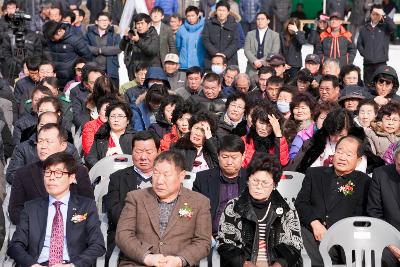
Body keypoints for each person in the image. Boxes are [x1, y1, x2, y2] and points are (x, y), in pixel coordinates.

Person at [7, 152, 105, 266]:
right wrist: (32, 264)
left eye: (58, 173)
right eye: (48, 172)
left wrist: (72, 265)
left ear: (71, 177)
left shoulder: (86, 206)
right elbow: (15, 245)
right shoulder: (31, 208)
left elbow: (97, 245)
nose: (51, 177)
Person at [115, 150, 212, 266]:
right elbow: (123, 235)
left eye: (166, 175)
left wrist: (180, 260)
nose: (159, 181)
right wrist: (146, 257)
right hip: (139, 263)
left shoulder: (200, 202)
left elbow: (203, 242)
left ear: (181, 176)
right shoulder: (135, 198)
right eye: (156, 173)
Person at [295, 136, 370, 267]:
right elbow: (301, 203)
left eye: (348, 154)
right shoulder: (314, 174)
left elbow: (362, 215)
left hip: (344, 240)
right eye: (339, 152)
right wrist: (315, 223)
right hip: (314, 235)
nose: (342, 157)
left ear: (358, 160)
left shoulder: (365, 182)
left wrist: (337, 232)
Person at [217, 152, 303, 267]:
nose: (259, 186)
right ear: (248, 180)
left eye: (265, 183)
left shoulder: (287, 209)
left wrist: (279, 264)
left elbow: (294, 245)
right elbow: (225, 243)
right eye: (255, 181)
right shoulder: (234, 206)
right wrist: (245, 264)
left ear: (274, 185)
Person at [8, 123, 94, 225]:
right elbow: (15, 212)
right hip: (34, 234)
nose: (43, 146)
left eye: (49, 142)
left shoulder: (78, 171)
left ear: (63, 146)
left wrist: (66, 223)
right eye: (40, 141)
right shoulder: (23, 174)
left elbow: (88, 206)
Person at [107, 131, 160, 262]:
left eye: (149, 152)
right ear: (132, 152)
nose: (143, 157)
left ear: (158, 152)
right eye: (138, 151)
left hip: (161, 239)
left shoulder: (167, 177)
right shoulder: (117, 178)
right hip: (127, 237)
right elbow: (114, 214)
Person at [193, 134, 247, 238]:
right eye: (225, 157)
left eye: (234, 157)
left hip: (244, 238)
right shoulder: (202, 179)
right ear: (218, 156)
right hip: (211, 237)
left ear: (243, 156)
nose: (229, 162)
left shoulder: (252, 178)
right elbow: (195, 209)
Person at [6, 111, 80, 184]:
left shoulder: (69, 149)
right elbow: (11, 175)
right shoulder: (23, 148)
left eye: (50, 125)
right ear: (37, 126)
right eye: (42, 125)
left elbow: (80, 174)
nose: (46, 128)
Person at [368, 146, 400, 267]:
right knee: (376, 257)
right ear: (394, 159)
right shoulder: (381, 174)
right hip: (389, 241)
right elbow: (374, 212)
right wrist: (390, 244)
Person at [42, 20, 93, 87]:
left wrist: (78, 72)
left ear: (59, 31)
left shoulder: (75, 39)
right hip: (54, 77)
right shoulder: (50, 39)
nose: (51, 40)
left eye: (52, 38)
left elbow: (87, 57)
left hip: (71, 78)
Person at [85, 102, 136, 168]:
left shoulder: (135, 138)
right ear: (108, 120)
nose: (116, 120)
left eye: (120, 116)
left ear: (128, 120)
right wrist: (101, 168)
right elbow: (91, 157)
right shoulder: (101, 135)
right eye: (112, 116)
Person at [242, 102, 289, 168]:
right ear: (255, 122)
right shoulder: (244, 140)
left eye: (269, 125)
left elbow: (283, 163)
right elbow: (241, 164)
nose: (264, 128)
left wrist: (278, 134)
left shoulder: (277, 141)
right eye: (261, 123)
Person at [358, 4, 396, 86]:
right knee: (368, 86)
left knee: (381, 85)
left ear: (381, 15)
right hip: (367, 63)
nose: (375, 16)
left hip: (381, 62)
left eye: (378, 14)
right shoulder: (364, 28)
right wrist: (365, 54)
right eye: (374, 14)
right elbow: (359, 44)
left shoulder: (385, 27)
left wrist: (384, 15)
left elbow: (393, 27)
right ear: (370, 14)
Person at [120, 13, 160, 81]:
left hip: (149, 71)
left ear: (148, 24)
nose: (140, 26)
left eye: (142, 23)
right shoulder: (134, 34)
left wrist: (138, 41)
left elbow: (152, 51)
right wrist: (125, 38)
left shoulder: (153, 35)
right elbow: (121, 48)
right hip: (134, 71)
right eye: (138, 24)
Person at [85, 12, 121, 85]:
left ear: (109, 22)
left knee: (111, 90)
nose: (104, 22)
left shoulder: (115, 34)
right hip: (93, 67)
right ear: (96, 22)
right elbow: (85, 47)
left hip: (110, 68)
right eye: (102, 20)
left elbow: (119, 48)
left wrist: (101, 50)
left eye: (106, 20)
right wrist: (98, 50)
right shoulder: (89, 34)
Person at [202, 0, 240, 69]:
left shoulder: (234, 25)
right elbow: (205, 40)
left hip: (229, 60)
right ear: (216, 11)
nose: (221, 13)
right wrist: (215, 53)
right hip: (212, 59)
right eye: (219, 10)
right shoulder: (209, 23)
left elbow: (235, 42)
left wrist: (225, 54)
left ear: (228, 12)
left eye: (224, 10)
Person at [244, 12, 280, 78]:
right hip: (252, 68)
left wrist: (262, 62)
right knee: (251, 86)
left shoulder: (275, 35)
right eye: (258, 19)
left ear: (268, 21)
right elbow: (246, 50)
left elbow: (274, 52)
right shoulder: (250, 34)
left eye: (262, 19)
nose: (260, 21)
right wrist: (254, 61)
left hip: (268, 68)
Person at [70, 65, 103, 129]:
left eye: (99, 81)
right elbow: (77, 117)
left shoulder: (109, 89)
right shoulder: (76, 92)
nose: (97, 85)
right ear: (86, 84)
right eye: (92, 82)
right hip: (88, 129)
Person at [176, 6, 206, 70]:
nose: (190, 18)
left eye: (193, 16)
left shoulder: (205, 28)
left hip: (199, 64)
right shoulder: (181, 29)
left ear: (198, 15)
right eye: (188, 16)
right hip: (184, 65)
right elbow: (178, 46)